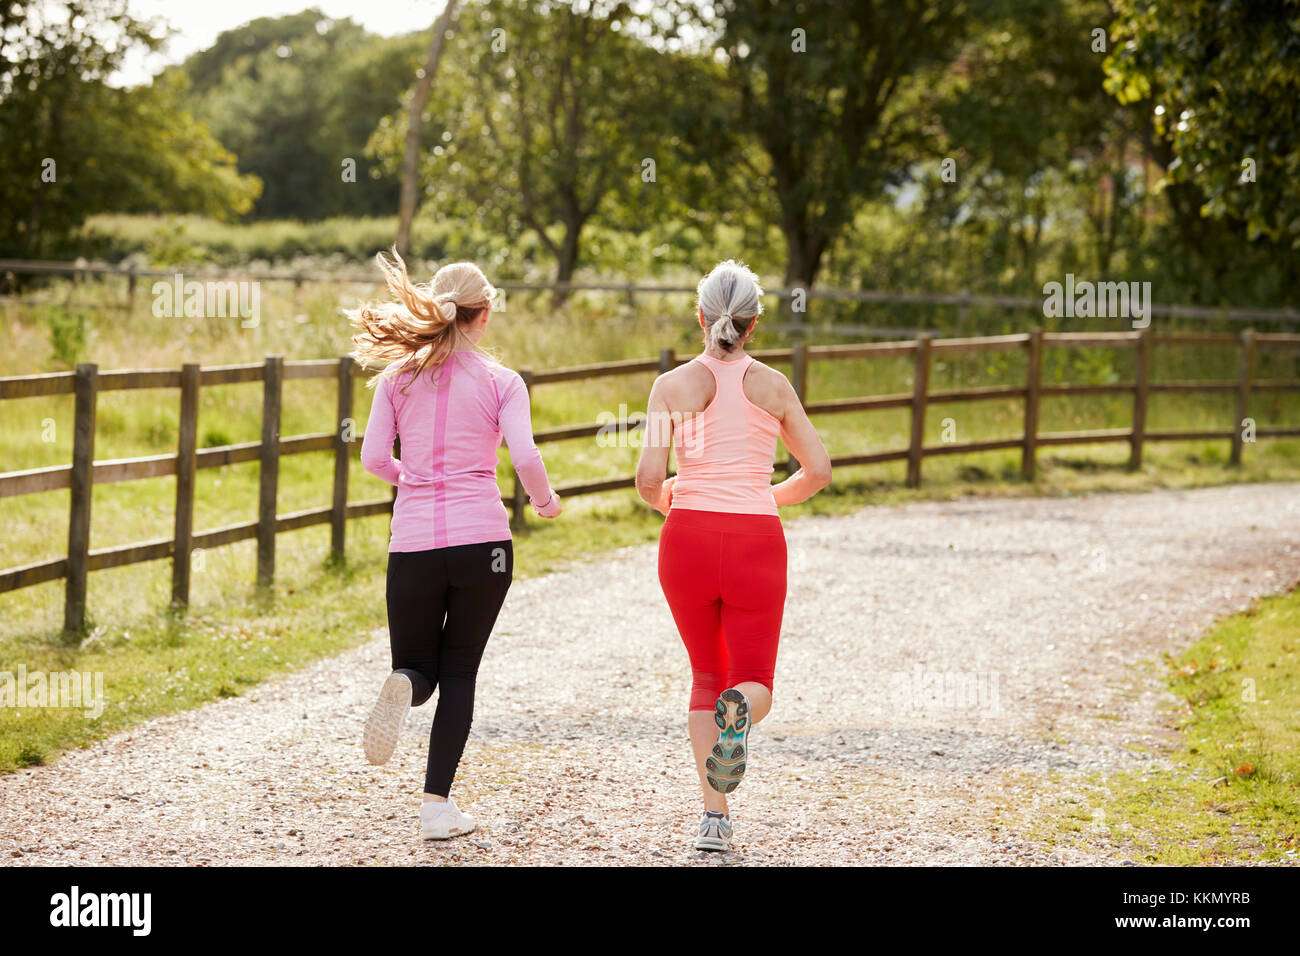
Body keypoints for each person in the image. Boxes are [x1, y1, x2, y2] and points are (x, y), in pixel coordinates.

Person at [350, 249, 562, 841]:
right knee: (461, 673)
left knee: (418, 667)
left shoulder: (396, 379)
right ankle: (436, 807)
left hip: (412, 545)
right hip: (484, 546)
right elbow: (524, 455)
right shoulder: (502, 382)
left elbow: (371, 459)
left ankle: (406, 688)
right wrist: (544, 502)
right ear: (484, 314)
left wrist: (415, 478)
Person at [636, 259, 832, 853]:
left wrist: (675, 501)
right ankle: (740, 709)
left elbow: (648, 480)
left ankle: (714, 822)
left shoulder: (670, 386)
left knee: (703, 676)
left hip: (687, 541)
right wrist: (766, 496)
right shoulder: (773, 386)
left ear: (701, 318)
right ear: (754, 325)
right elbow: (818, 470)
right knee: (754, 681)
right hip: (756, 542)